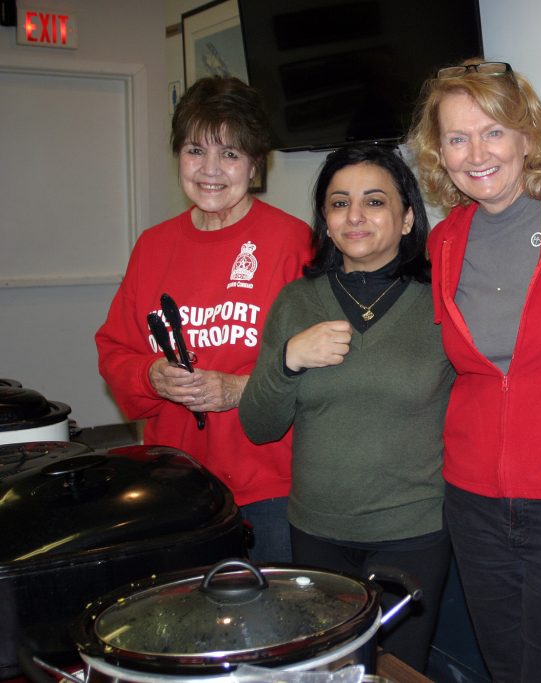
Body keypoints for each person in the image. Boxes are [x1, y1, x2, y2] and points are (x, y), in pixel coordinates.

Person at [408, 60, 541, 683]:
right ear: (438, 152)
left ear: (528, 135)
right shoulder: (445, 239)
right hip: (471, 498)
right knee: (504, 663)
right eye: (457, 138)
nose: (477, 153)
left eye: (493, 131)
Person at [237, 145, 453, 672]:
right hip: (317, 533)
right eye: (339, 203)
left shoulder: (443, 300)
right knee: (328, 672)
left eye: (374, 201)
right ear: (326, 222)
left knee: (396, 671)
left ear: (406, 220)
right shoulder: (296, 302)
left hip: (414, 532)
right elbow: (259, 426)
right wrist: (289, 359)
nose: (355, 215)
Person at [96, 76, 311, 564]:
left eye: (230, 154)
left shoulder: (292, 243)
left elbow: (324, 367)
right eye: (196, 150)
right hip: (175, 484)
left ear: (256, 164)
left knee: (272, 628)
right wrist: (150, 375)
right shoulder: (152, 247)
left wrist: (237, 389)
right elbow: (115, 350)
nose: (211, 170)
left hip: (270, 486)